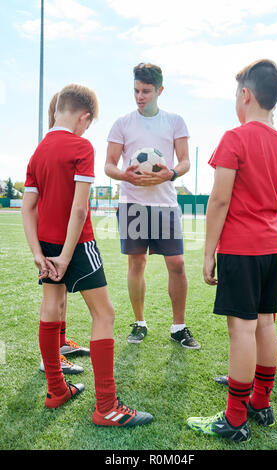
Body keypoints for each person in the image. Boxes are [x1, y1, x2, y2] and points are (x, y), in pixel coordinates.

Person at [22, 83, 153, 427]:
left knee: (51, 307)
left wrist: (39, 254)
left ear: (56, 110)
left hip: (47, 246)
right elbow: (79, 210)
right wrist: (66, 256)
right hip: (76, 245)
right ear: (84, 117)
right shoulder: (81, 145)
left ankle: (57, 390)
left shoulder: (37, 153)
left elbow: (28, 207)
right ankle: (107, 406)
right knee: (105, 314)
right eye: (88, 123)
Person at [186, 59, 277, 442]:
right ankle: (260, 402)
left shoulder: (235, 138)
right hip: (272, 245)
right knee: (266, 323)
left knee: (242, 328)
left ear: (245, 95)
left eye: (236, 94)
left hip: (242, 247)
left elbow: (218, 201)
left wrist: (208, 250)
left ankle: (234, 418)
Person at [105, 63, 200, 349]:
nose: (140, 96)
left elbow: (184, 161)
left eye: (146, 91)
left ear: (160, 91)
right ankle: (139, 322)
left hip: (165, 204)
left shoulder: (174, 121)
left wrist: (170, 174)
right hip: (132, 203)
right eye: (136, 90)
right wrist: (125, 175)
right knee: (137, 263)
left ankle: (178, 326)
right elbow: (109, 165)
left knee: (178, 264)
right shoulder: (122, 123)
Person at [39, 92, 90, 377]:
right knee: (53, 299)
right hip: (57, 234)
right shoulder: (57, 147)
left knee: (59, 297)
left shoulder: (53, 146)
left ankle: (59, 346)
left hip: (53, 234)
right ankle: (51, 358)